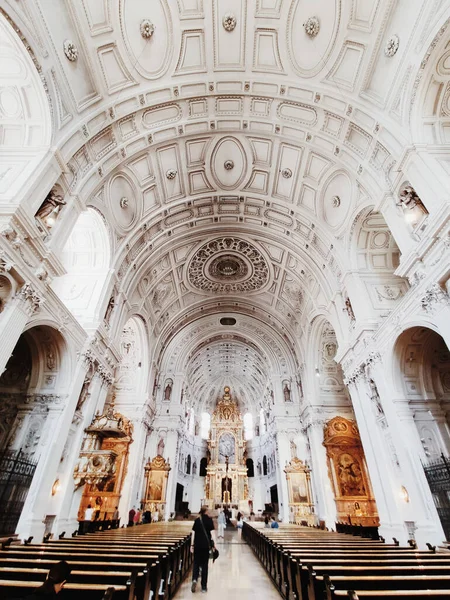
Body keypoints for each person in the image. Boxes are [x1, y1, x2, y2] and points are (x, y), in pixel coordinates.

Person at [191, 506, 216, 593]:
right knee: (205, 565)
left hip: (197, 545)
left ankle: (194, 579)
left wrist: (192, 545)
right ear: (206, 511)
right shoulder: (209, 520)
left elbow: (193, 533)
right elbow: (212, 533)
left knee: (196, 563)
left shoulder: (197, 520)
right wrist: (215, 545)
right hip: (206, 546)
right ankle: (204, 587)